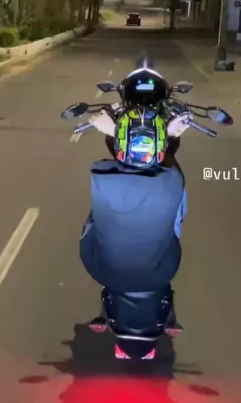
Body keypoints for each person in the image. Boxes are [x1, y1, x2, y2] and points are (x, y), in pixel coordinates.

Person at [79, 106, 190, 306]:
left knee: (96, 219)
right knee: (175, 211)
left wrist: (115, 131)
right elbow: (167, 161)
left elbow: (119, 161)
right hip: (162, 273)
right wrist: (170, 134)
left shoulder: (101, 179)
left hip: (102, 271)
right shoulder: (173, 180)